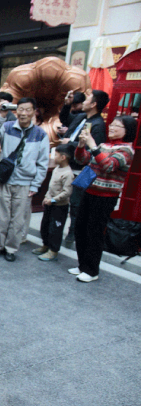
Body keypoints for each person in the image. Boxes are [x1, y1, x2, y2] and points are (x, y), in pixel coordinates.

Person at [69, 116, 136, 282]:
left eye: (117, 126)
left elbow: (108, 165)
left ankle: (92, 271)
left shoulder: (126, 150)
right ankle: (82, 264)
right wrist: (81, 145)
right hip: (90, 191)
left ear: (127, 130)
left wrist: (92, 146)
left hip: (106, 197)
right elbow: (81, 159)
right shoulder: (104, 145)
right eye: (111, 124)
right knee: (80, 228)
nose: (112, 127)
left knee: (94, 232)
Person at [0, 97, 49, 262]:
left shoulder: (40, 134)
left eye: (27, 110)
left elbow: (43, 162)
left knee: (18, 219)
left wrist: (36, 185)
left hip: (25, 183)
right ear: (16, 111)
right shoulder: (7, 127)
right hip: (4, 180)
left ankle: (11, 249)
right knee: (2, 216)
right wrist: (1, 115)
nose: (23, 113)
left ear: (33, 112)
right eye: (20, 109)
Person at [59, 90, 109, 246]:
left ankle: (72, 233)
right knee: (61, 198)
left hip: (83, 170)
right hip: (67, 163)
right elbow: (65, 119)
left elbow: (94, 149)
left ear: (94, 104)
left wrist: (70, 143)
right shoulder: (81, 117)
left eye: (87, 99)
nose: (84, 101)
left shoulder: (99, 125)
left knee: (76, 204)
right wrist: (67, 105)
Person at [32, 144, 74, 261]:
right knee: (45, 226)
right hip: (49, 203)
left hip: (59, 207)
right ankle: (45, 245)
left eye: (55, 155)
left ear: (63, 157)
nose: (53, 157)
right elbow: (51, 187)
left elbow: (67, 192)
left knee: (55, 229)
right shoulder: (57, 168)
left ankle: (53, 250)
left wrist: (53, 200)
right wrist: (46, 197)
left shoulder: (68, 174)